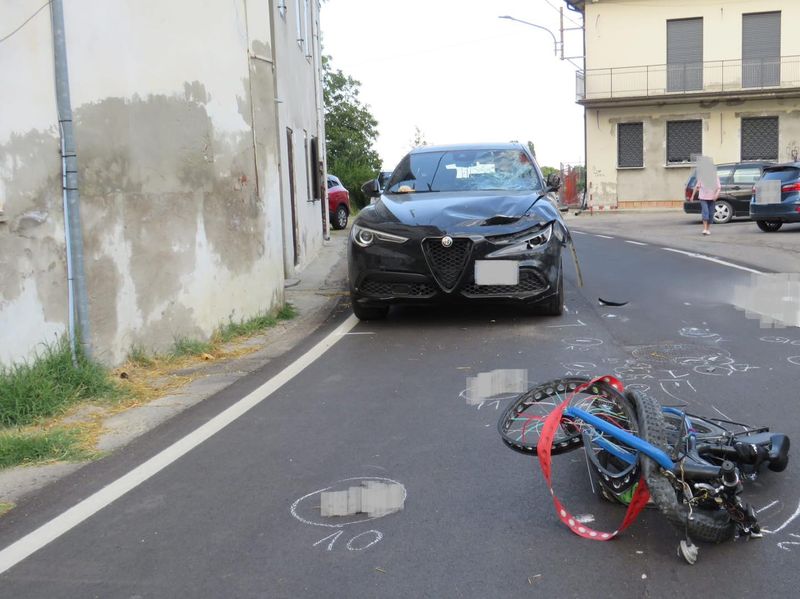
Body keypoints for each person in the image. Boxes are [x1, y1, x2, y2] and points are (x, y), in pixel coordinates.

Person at [693, 159, 720, 236]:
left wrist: (716, 195)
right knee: (705, 212)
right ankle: (704, 229)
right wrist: (692, 196)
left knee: (711, 214)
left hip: (712, 198)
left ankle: (708, 229)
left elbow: (718, 188)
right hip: (703, 198)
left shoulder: (715, 177)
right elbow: (696, 186)